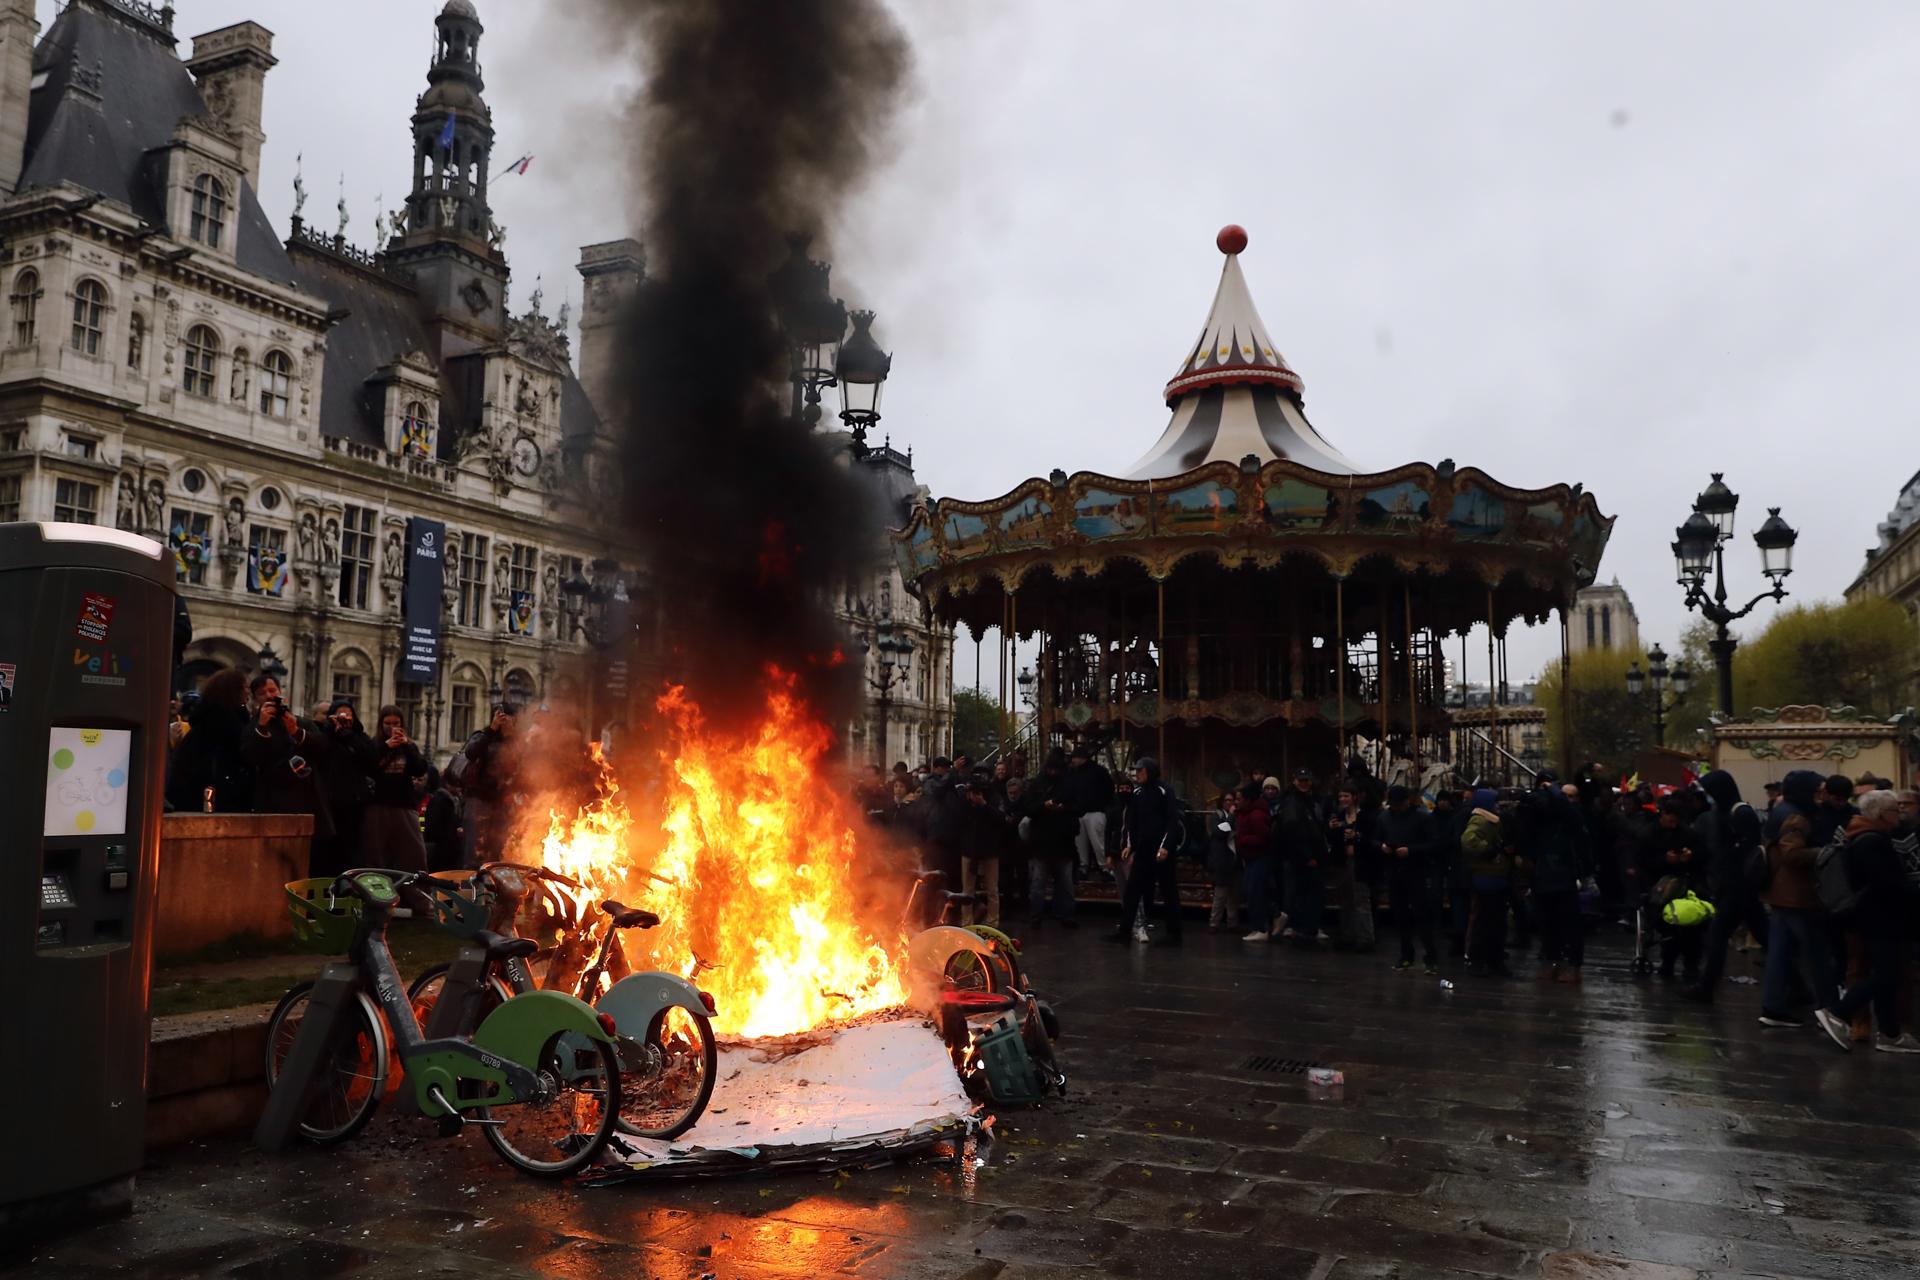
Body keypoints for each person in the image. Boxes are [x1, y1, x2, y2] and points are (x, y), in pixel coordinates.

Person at [1813, 791, 1920, 1053]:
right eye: (1895, 810)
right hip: (1881, 917)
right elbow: (1887, 884)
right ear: (1881, 814)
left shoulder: (1861, 835)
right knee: (1886, 973)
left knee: (1885, 973)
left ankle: (1890, 1033)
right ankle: (1838, 1012)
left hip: (1873, 916)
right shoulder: (1872, 842)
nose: (1899, 814)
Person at [1759, 770, 1837, 1029]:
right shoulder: (1795, 816)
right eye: (1817, 790)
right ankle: (1829, 1007)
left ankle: (1774, 1006)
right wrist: (1825, 852)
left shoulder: (1782, 810)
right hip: (1797, 894)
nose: (1820, 796)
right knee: (1816, 953)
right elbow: (1793, 854)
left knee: (1779, 952)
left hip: (1780, 891)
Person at [1685, 770, 1770, 1002]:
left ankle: (1706, 985)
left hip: (1739, 886)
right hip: (1735, 886)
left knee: (1719, 934)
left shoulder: (1740, 813)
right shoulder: (1724, 813)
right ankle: (1796, 984)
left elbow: (1747, 851)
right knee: (1764, 936)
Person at [243, 672, 335, 877]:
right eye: (262, 693)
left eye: (272, 690)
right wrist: (262, 727)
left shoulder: (301, 722)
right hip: (274, 803)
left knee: (312, 864)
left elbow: (323, 749)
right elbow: (251, 756)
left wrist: (295, 732)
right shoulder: (252, 728)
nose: (268, 695)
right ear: (255, 699)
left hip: (307, 802)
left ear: (280, 692)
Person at [1524, 780, 1592, 983]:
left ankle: (1574, 964)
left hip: (1565, 876)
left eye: (1571, 796)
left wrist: (1554, 791)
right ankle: (1552, 960)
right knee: (1547, 922)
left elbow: (1573, 820)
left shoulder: (1574, 816)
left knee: (1570, 923)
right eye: (1565, 795)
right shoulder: (1544, 818)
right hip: (1543, 875)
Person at [1110, 757, 1181, 946]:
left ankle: (1174, 934)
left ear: (1150, 771)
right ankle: (1125, 930)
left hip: (1161, 850)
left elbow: (1172, 821)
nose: (1137, 774)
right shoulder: (1138, 793)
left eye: (1141, 771)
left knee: (1168, 890)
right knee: (1133, 889)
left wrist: (1165, 846)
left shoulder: (1165, 791)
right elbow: (1132, 823)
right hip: (1143, 850)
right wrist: (1129, 845)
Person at [164, 668, 253, 813]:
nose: (247, 692)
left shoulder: (205, 718)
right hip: (217, 795)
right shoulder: (227, 721)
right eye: (244, 687)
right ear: (233, 690)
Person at [1377, 785, 1439, 973]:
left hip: (1416, 872)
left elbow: (1434, 844)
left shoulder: (1422, 817)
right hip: (1394, 872)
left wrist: (1411, 850)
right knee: (1400, 916)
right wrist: (1383, 847)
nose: (1395, 808)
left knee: (1422, 916)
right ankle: (1406, 955)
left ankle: (1431, 958)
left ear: (1407, 802)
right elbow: (1376, 839)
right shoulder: (1384, 817)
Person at [360, 705, 429, 870]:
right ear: (381, 724)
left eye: (396, 723)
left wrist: (406, 746)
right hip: (378, 805)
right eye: (387, 723)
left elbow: (420, 768)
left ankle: (416, 891)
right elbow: (366, 767)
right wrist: (386, 747)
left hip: (404, 805)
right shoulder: (373, 744)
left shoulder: (409, 747)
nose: (392, 728)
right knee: (376, 855)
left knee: (415, 854)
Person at [1274, 768, 1329, 946]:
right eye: (1301, 780)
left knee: (1304, 893)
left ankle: (1303, 928)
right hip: (1302, 857)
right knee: (1305, 894)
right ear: (1294, 781)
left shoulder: (1309, 800)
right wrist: (1307, 856)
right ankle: (1303, 929)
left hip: (1307, 855)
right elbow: (1294, 832)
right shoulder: (1293, 802)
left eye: (1306, 780)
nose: (1304, 783)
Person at [461, 704, 520, 867]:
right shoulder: (484, 736)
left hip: (502, 803)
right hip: (479, 801)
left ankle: (493, 890)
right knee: (473, 852)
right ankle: (469, 889)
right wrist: (492, 729)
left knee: (497, 851)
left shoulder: (516, 743)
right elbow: (470, 752)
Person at [1461, 788, 1511, 977]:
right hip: (1488, 877)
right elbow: (1468, 841)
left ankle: (1483, 960)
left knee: (1488, 921)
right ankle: (1485, 960)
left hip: (1491, 877)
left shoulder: (1489, 820)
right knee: (1489, 922)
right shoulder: (1482, 820)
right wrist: (1491, 850)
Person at [1020, 763, 1077, 929]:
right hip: (1046, 843)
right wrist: (1044, 806)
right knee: (1042, 883)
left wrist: (1062, 808)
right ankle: (1039, 915)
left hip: (1058, 842)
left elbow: (1076, 808)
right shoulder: (1040, 786)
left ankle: (1059, 915)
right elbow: (1029, 808)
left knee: (1061, 884)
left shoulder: (1064, 786)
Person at [1328, 784, 1378, 952]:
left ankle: (1366, 938)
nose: (1343, 800)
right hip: (1342, 863)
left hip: (1360, 862)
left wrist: (1357, 836)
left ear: (1354, 797)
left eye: (1346, 796)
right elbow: (1333, 842)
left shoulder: (1365, 817)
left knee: (1361, 900)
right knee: (1345, 900)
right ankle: (1347, 935)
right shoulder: (1339, 816)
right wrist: (1333, 830)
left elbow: (1373, 841)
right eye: (1341, 796)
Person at [1063, 745, 1115, 881]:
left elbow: (1108, 790)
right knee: (1080, 842)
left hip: (1094, 811)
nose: (1072, 760)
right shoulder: (1073, 773)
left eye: (1074, 757)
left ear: (1081, 758)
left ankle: (1105, 867)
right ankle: (1084, 866)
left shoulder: (1098, 772)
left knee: (1099, 841)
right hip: (1078, 812)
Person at [1238, 780, 1280, 942]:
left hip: (1258, 858)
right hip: (1252, 858)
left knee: (1256, 892)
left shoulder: (1256, 815)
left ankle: (1261, 927)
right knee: (1253, 891)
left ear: (1248, 799)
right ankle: (1270, 918)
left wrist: (1243, 839)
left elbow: (1263, 837)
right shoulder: (1250, 812)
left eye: (1240, 798)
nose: (1237, 801)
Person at [960, 780, 1001, 928]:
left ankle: (993, 922)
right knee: (967, 890)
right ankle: (967, 922)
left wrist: (984, 804)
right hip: (969, 851)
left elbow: (1000, 818)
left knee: (992, 889)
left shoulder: (992, 801)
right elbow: (959, 820)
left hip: (989, 850)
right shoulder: (965, 806)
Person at [1203, 791, 1240, 931]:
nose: (1230, 803)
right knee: (1220, 894)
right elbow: (1220, 832)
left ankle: (1232, 922)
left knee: (1233, 895)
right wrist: (1230, 816)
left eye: (1232, 800)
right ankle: (1214, 923)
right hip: (1221, 860)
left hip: (1233, 859)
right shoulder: (1216, 816)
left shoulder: (1237, 816)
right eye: (1227, 800)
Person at [422, 768, 464, 873]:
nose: (459, 789)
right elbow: (433, 826)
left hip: (447, 849)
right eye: (457, 785)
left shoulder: (452, 800)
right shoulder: (440, 801)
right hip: (441, 851)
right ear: (448, 784)